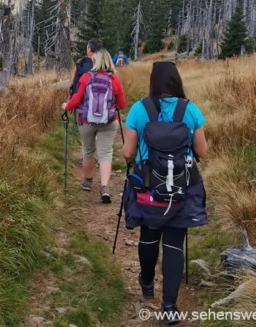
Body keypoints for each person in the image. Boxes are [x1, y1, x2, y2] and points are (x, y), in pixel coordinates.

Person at [121, 61, 208, 325]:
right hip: (181, 188)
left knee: (148, 235)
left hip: (149, 186)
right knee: (173, 243)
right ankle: (170, 306)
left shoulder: (139, 109)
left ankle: (147, 283)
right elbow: (202, 152)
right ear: (177, 81)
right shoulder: (190, 110)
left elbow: (127, 153)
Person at [63, 48, 126, 203]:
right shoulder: (114, 80)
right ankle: (104, 187)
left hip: (86, 121)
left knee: (88, 151)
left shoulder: (86, 77)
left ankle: (87, 181)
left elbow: (76, 100)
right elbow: (122, 104)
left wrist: (66, 106)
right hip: (109, 121)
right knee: (105, 153)